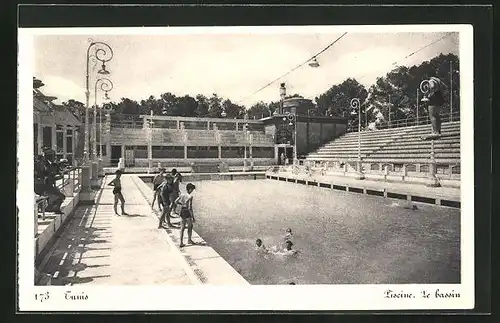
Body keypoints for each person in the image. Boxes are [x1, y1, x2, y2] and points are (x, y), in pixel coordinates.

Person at [175, 183, 196, 247]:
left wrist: (181, 204)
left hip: (182, 211)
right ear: (189, 189)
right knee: (190, 226)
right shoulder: (190, 197)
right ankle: (189, 240)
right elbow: (190, 207)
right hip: (187, 212)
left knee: (182, 227)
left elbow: (175, 201)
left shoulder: (182, 194)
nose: (192, 191)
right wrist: (193, 217)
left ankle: (181, 242)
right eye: (192, 190)